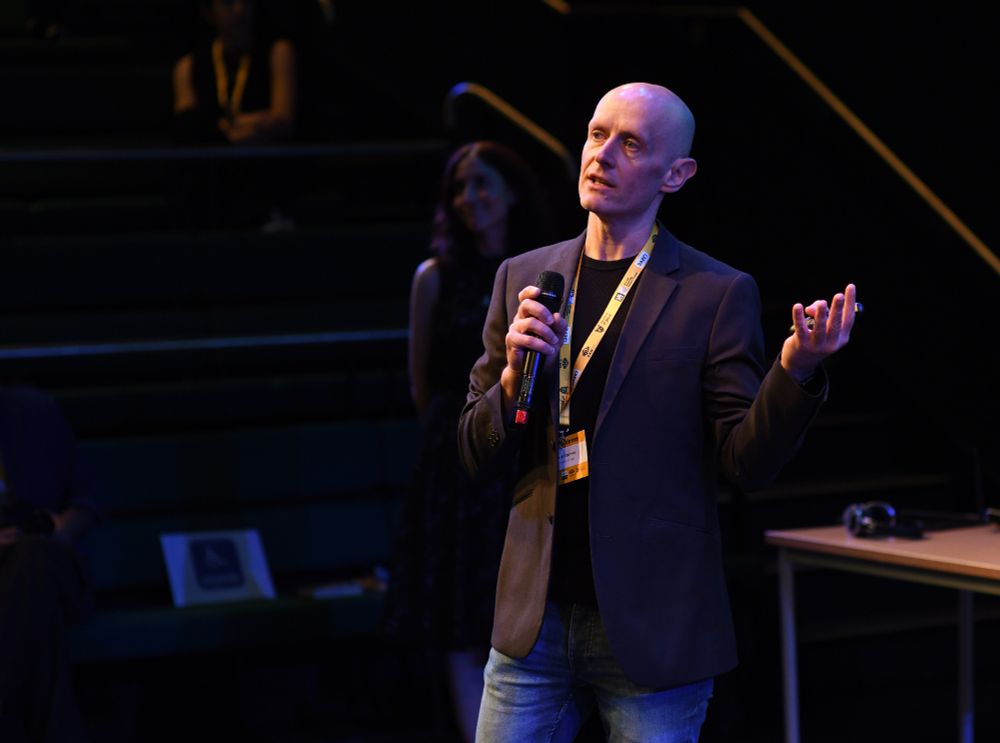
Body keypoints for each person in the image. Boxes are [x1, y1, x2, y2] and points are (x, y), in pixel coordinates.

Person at [457, 82, 858, 742]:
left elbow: (745, 460)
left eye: (631, 143)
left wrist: (795, 370)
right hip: (535, 619)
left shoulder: (714, 294)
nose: (603, 154)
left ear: (677, 173)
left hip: (653, 628)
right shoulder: (523, 277)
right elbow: (473, 452)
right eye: (596, 134)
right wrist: (507, 382)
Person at [383, 141, 555, 742]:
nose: (469, 198)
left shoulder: (543, 270)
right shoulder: (435, 276)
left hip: (522, 457)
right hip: (457, 460)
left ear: (511, 191)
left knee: (524, 616)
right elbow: (421, 382)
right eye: (459, 188)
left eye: (482, 183)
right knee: (458, 619)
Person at [0, 386, 100, 742]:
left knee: (33, 559)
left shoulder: (36, 412)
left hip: (51, 561)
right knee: (37, 620)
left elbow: (85, 503)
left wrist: (59, 528)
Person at [171, 0, 297, 229]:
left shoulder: (277, 51)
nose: (240, 10)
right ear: (208, 12)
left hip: (263, 170)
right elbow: (187, 127)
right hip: (212, 180)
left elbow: (282, 119)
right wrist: (253, 125)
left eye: (246, 2)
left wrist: (227, 128)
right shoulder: (188, 66)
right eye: (229, 3)